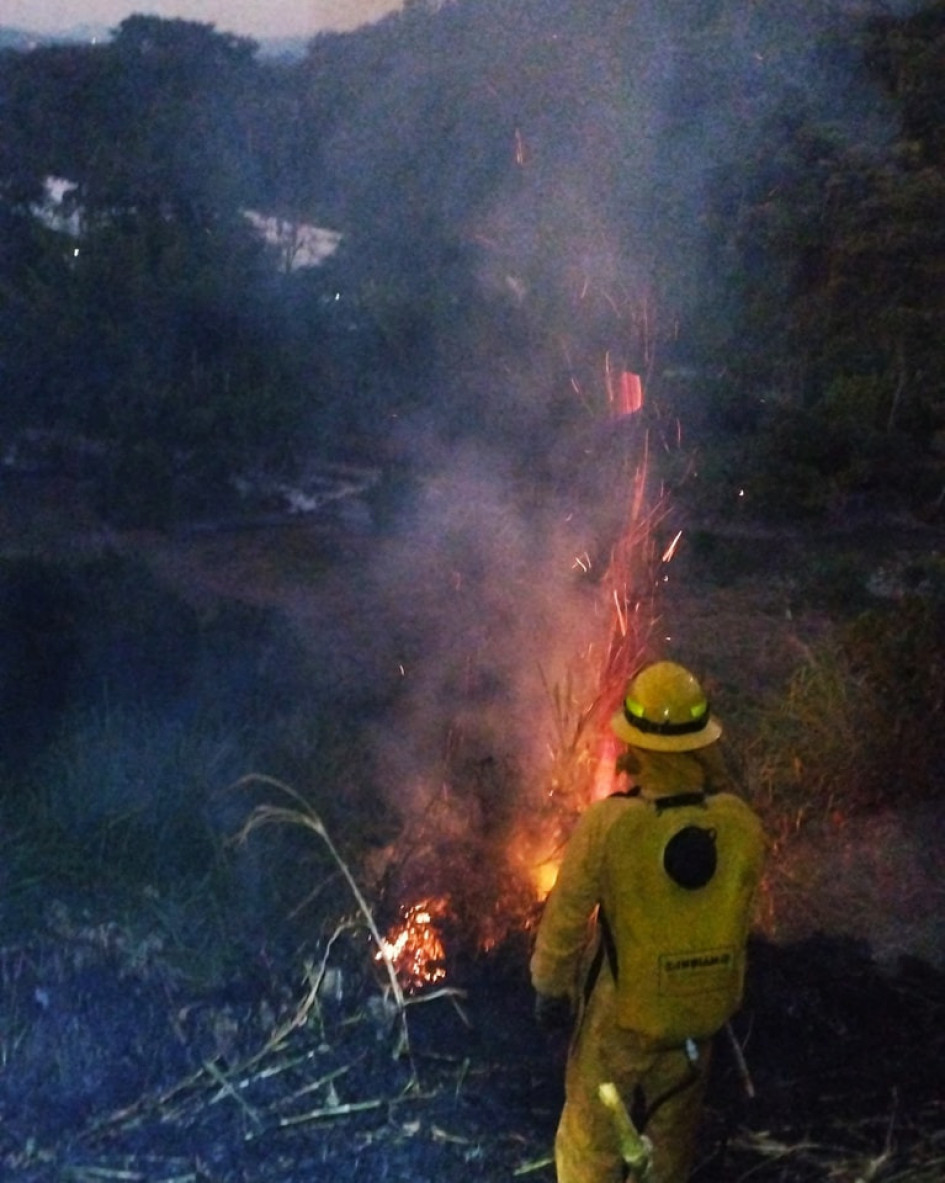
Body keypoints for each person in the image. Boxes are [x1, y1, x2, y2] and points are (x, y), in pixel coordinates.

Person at [531, 661, 765, 1183]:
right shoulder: (741, 826)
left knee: (589, 1141)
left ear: (635, 744)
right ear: (703, 742)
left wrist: (550, 988)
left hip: (621, 1022)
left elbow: (566, 919)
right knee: (671, 1141)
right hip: (700, 1019)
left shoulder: (612, 826)